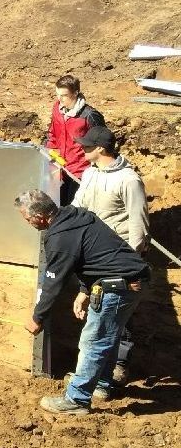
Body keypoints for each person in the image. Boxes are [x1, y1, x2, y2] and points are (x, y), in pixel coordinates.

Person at [17, 189, 148, 415]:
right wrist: (84, 290)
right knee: (108, 336)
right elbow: (96, 256)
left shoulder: (58, 237)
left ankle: (77, 399)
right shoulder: (74, 216)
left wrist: (37, 317)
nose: (28, 223)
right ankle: (101, 384)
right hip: (131, 280)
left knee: (93, 341)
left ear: (39, 217)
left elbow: (53, 283)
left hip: (117, 287)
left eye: (27, 219)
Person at [71, 125, 149, 382]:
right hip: (94, 257)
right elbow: (78, 206)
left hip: (118, 261)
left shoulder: (129, 180)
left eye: (86, 146)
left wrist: (128, 264)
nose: (81, 149)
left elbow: (139, 227)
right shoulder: (90, 173)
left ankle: (119, 364)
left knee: (117, 316)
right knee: (98, 313)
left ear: (101, 149)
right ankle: (98, 374)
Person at [44, 75, 105, 205]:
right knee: (58, 205)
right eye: (57, 94)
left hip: (81, 172)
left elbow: (102, 144)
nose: (59, 99)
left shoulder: (90, 116)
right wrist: (50, 153)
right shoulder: (57, 109)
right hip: (59, 167)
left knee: (76, 208)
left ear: (76, 93)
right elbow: (53, 134)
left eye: (64, 95)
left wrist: (96, 170)